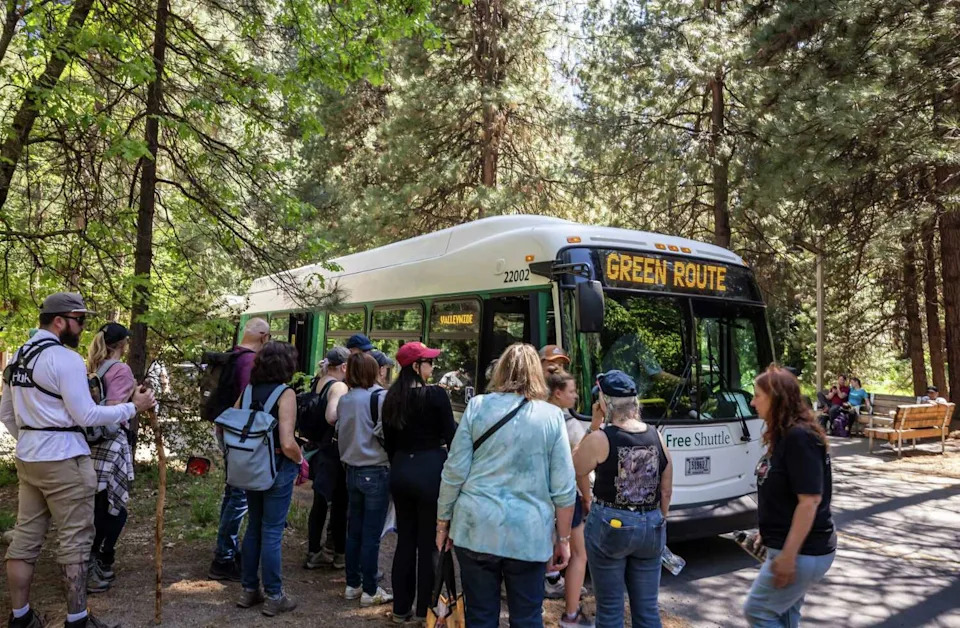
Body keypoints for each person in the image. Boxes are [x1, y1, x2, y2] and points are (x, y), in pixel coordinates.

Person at [1, 292, 155, 628]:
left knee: (26, 538)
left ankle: (21, 618)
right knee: (76, 539)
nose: (83, 328)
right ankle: (77, 620)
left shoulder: (21, 356)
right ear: (60, 321)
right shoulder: (65, 359)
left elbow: (6, 414)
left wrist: (33, 439)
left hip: (29, 459)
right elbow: (86, 415)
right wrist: (133, 408)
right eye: (80, 320)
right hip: (65, 460)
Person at [436, 343, 576, 627]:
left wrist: (443, 522)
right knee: (526, 617)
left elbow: (454, 470)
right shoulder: (551, 416)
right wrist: (563, 539)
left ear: (500, 371)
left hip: (476, 528)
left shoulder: (477, 407)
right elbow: (564, 488)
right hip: (529, 533)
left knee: (481, 616)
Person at [573, 370, 673, 628]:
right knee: (648, 611)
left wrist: (593, 425)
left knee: (609, 611)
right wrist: (661, 517)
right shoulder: (657, 436)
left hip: (611, 524)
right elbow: (666, 489)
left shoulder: (601, 438)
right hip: (651, 525)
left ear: (604, 403)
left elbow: (576, 467)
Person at [743, 366, 836, 627]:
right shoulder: (785, 435)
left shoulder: (799, 438)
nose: (752, 401)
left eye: (757, 395)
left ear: (776, 398)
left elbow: (810, 501)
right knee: (784, 616)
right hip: (785, 547)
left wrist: (788, 555)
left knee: (758, 611)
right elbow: (784, 494)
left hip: (802, 552)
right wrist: (768, 533)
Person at [381, 342, 455, 623]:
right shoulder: (436, 396)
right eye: (429, 362)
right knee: (430, 544)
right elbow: (452, 436)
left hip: (401, 470)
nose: (432, 367)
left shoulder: (392, 398)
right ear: (416, 366)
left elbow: (390, 443)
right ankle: (427, 608)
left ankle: (400, 608)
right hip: (430, 471)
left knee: (405, 541)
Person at [235, 341, 304, 617]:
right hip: (277, 466)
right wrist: (300, 459)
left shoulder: (248, 390)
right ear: (287, 365)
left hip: (250, 466)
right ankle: (275, 595)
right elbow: (288, 442)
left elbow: (228, 420)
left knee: (254, 526)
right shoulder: (285, 394)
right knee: (272, 530)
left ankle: (249, 589)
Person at [209, 317, 270, 581]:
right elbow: (248, 401)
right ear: (263, 337)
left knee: (232, 492)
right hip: (239, 434)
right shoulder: (249, 362)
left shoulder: (233, 355)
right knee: (239, 496)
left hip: (225, 428)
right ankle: (223, 558)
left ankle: (226, 549)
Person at [337, 352, 393, 606]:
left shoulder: (345, 399)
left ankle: (352, 584)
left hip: (351, 470)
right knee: (372, 534)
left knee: (354, 532)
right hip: (376, 470)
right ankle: (371, 589)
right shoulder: (380, 397)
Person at [85, 323, 137, 593]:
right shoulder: (121, 370)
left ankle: (94, 559)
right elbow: (116, 410)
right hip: (112, 443)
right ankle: (99, 559)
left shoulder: (92, 367)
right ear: (123, 344)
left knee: (97, 504)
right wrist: (137, 402)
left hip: (90, 444)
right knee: (115, 507)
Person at [545, 368, 594, 628]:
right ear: (558, 393)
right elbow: (580, 468)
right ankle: (571, 615)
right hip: (566, 497)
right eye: (572, 391)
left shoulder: (534, 416)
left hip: (538, 497)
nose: (575, 396)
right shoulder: (570, 424)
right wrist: (587, 497)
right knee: (578, 554)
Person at [303, 347, 350, 570]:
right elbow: (331, 416)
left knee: (319, 502)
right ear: (343, 367)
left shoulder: (319, 381)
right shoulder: (338, 386)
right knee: (339, 503)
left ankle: (314, 551)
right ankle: (340, 554)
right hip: (332, 452)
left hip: (317, 450)